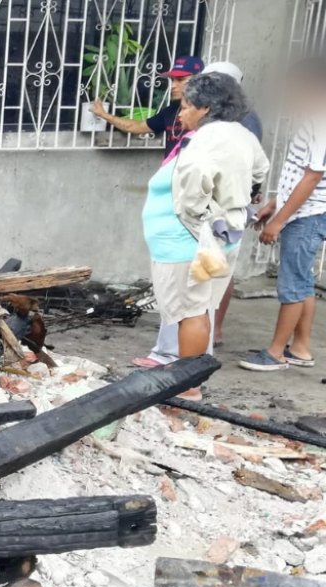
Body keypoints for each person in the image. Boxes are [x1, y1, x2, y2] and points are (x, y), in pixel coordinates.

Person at [143, 73, 269, 400]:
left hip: (190, 242)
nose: (180, 113)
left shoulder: (205, 140)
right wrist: (243, 197)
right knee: (200, 308)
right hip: (224, 236)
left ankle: (187, 388)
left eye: (186, 105)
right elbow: (260, 170)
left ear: (206, 107)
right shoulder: (242, 135)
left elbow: (188, 196)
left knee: (191, 312)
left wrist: (199, 226)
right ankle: (189, 380)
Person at [240, 57, 326, 372]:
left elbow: (313, 177)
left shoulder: (320, 121)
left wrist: (278, 221)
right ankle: (300, 348)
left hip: (307, 215)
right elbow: (299, 175)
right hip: (304, 210)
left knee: (291, 284)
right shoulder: (312, 120)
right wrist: (275, 204)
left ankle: (275, 353)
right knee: (301, 283)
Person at [91, 55, 204, 155]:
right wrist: (104, 115)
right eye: (172, 80)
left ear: (200, 80)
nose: (173, 85)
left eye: (180, 80)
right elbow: (137, 127)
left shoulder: (211, 114)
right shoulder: (171, 111)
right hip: (172, 175)